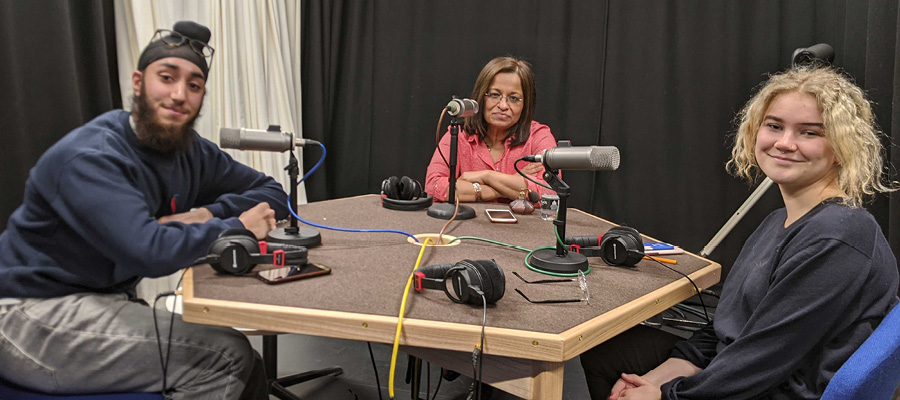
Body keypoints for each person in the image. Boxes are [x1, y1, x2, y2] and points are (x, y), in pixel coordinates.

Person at [0, 21, 283, 399]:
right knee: (227, 355)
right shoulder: (92, 156)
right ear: (138, 82)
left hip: (98, 300)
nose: (180, 94)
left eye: (194, 85)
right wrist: (239, 227)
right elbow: (148, 251)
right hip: (29, 314)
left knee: (248, 365)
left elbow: (271, 192)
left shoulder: (190, 150)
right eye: (167, 77)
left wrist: (207, 215)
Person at [580, 66, 900, 399]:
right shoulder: (778, 220)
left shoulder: (838, 237)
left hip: (780, 389)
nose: (785, 143)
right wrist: (674, 367)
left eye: (809, 133)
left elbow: (761, 362)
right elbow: (732, 325)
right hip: (751, 369)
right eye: (774, 126)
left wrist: (666, 395)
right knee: (607, 353)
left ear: (840, 145)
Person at [425, 56, 557, 203]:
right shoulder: (458, 135)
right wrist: (509, 183)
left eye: (514, 98)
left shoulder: (539, 136)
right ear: (481, 97)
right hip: (467, 224)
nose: (503, 105)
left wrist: (487, 176)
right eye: (494, 95)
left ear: (526, 104)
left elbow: (549, 193)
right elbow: (433, 187)